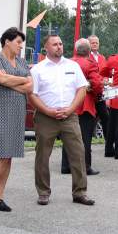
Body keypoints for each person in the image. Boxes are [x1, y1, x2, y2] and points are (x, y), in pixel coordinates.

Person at [29, 34, 95, 206]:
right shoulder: (37, 69)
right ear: (46, 48)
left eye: (60, 43)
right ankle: (43, 192)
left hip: (70, 116)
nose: (59, 46)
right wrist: (48, 111)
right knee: (42, 155)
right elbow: (32, 95)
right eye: (54, 44)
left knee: (78, 153)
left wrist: (71, 109)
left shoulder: (73, 66)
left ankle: (80, 192)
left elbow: (82, 89)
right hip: (46, 117)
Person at [0, 27, 33, 214]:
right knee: (2, 155)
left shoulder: (21, 61)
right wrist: (21, 81)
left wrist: (12, 81)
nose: (20, 46)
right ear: (7, 41)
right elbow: (0, 78)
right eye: (18, 42)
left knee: (8, 157)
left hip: (17, 111)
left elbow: (30, 86)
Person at [61, 38, 104, 176]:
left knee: (68, 135)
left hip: (69, 104)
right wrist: (95, 90)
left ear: (76, 50)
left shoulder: (67, 63)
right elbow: (97, 84)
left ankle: (66, 165)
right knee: (85, 137)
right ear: (89, 51)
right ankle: (85, 166)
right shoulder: (90, 63)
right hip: (85, 104)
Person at [88, 35, 110, 146]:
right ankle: (86, 142)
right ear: (88, 44)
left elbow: (105, 71)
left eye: (97, 42)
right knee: (90, 118)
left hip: (101, 92)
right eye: (93, 42)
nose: (95, 44)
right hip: (90, 93)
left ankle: (109, 143)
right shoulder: (86, 57)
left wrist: (105, 79)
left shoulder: (102, 57)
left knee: (105, 117)